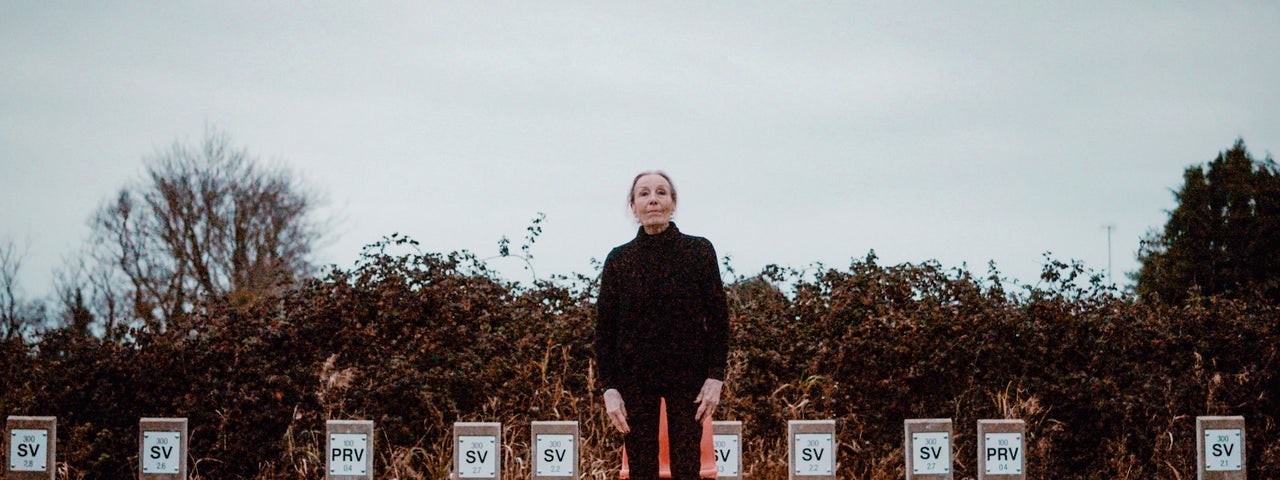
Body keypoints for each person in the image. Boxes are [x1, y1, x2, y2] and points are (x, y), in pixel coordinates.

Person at [594, 171, 730, 479]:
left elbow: (719, 319)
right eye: (643, 193)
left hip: (689, 379)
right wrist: (609, 388)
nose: (653, 199)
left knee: (687, 469)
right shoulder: (619, 260)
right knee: (641, 470)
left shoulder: (699, 252)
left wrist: (716, 377)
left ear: (673, 203)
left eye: (661, 192)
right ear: (633, 206)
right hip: (634, 381)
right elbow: (604, 332)